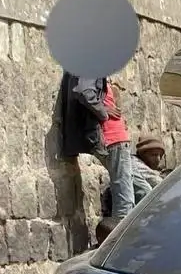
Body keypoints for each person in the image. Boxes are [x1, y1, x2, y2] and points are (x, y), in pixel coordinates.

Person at [57, 73, 135, 218]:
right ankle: (122, 239)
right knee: (125, 202)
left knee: (142, 191)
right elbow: (83, 91)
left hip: (116, 141)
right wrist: (103, 111)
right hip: (113, 140)